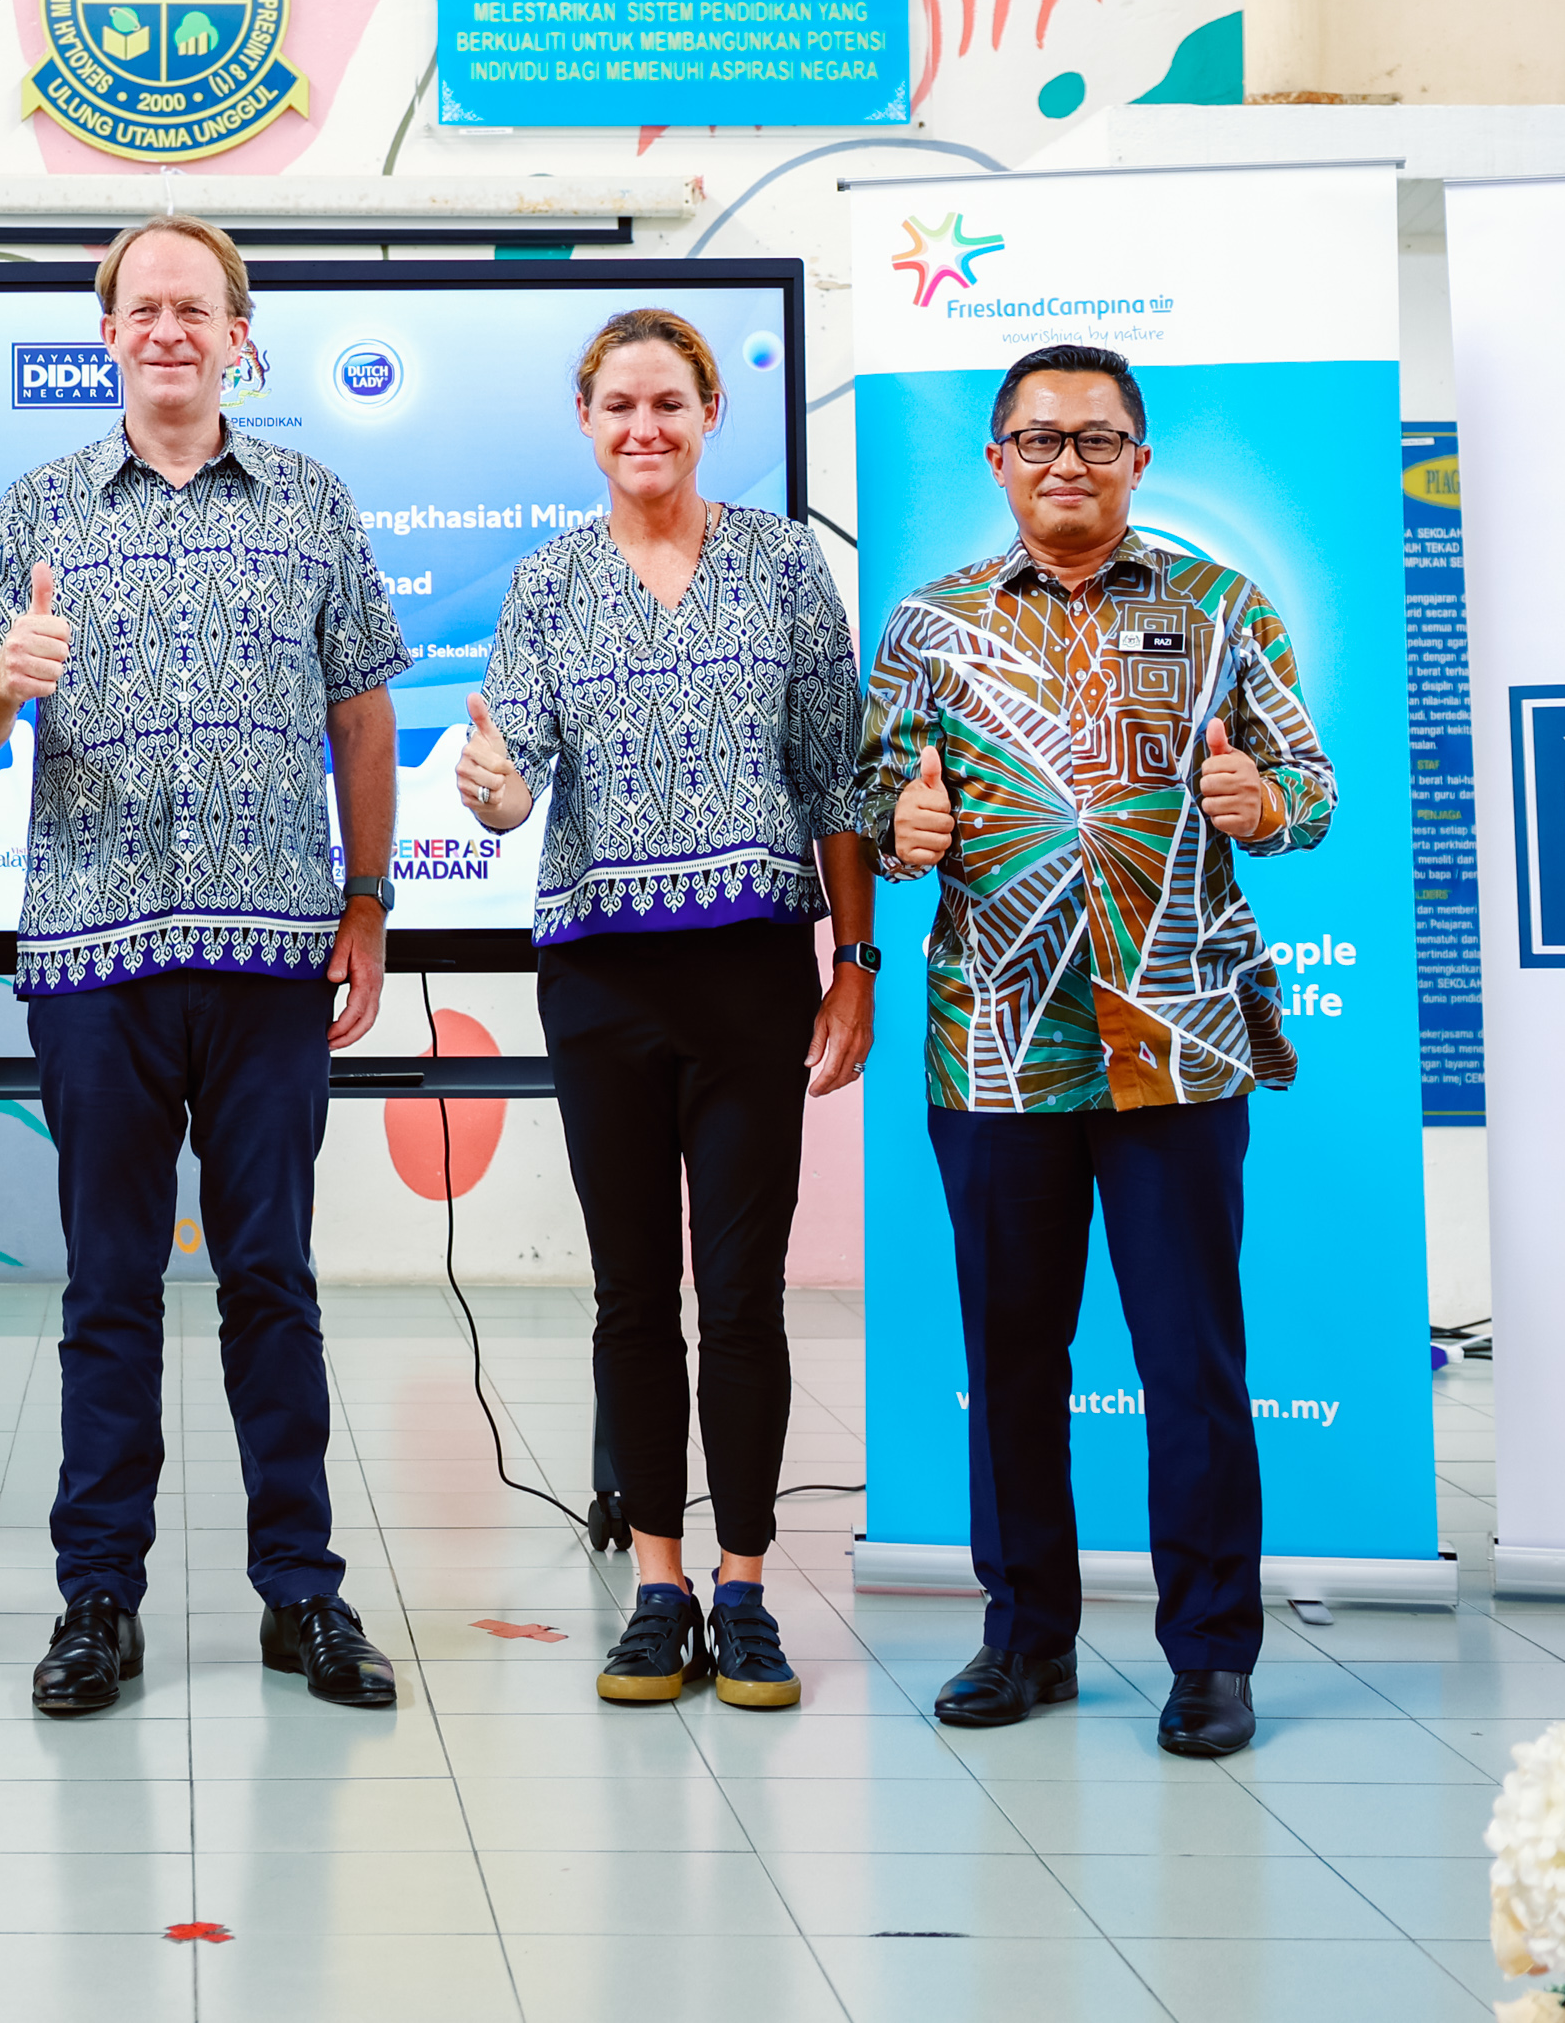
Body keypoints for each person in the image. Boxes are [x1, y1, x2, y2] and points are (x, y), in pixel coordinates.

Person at [0, 214, 412, 1717]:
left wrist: (367, 901)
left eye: (192, 309)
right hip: (95, 961)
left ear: (236, 336)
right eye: (140, 308)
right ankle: (98, 1598)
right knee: (109, 1287)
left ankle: (302, 1591)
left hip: (274, 954)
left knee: (273, 1279)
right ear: (105, 334)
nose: (165, 330)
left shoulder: (311, 500)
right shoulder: (38, 506)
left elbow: (361, 716)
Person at [859, 343, 1336, 1761]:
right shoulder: (930, 624)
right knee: (1012, 1358)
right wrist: (898, 825)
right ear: (996, 458)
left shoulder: (1221, 604)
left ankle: (1211, 1655)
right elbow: (870, 791)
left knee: (1190, 1359)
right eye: (1038, 438)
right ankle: (1026, 1637)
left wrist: (1266, 802)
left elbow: (1311, 785)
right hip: (995, 1044)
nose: (1065, 460)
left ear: (1139, 457)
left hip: (1174, 1040)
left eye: (1095, 438)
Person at [456, 308, 876, 1713]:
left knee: (743, 1294)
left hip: (753, 973)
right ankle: (656, 1584)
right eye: (619, 405)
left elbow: (834, 778)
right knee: (631, 1293)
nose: (644, 427)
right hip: (601, 982)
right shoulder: (548, 581)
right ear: (586, 422)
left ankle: (743, 1587)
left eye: (668, 404)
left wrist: (855, 961)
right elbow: (514, 769)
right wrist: (494, 795)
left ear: (709, 416)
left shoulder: (783, 564)